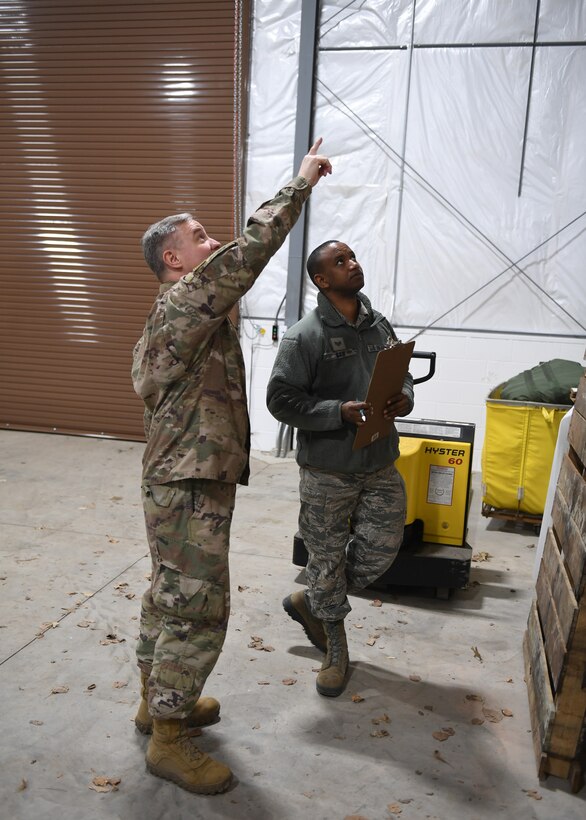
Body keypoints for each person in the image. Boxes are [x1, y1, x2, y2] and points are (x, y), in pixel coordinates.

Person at [131, 139, 332, 795]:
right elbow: (252, 249)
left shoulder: (172, 315)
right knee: (197, 607)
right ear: (174, 258)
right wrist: (300, 183)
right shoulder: (189, 298)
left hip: (179, 476)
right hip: (187, 481)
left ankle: (156, 700)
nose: (212, 241)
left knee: (170, 594)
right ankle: (168, 737)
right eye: (199, 236)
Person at [266, 240, 414, 698]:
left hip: (379, 460)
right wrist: (337, 411)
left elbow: (400, 372)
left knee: (382, 547)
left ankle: (313, 599)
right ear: (322, 280)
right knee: (326, 558)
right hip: (329, 469)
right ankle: (334, 645)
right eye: (340, 262)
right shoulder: (303, 336)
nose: (354, 264)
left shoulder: (377, 324)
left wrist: (404, 396)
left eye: (352, 257)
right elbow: (280, 400)